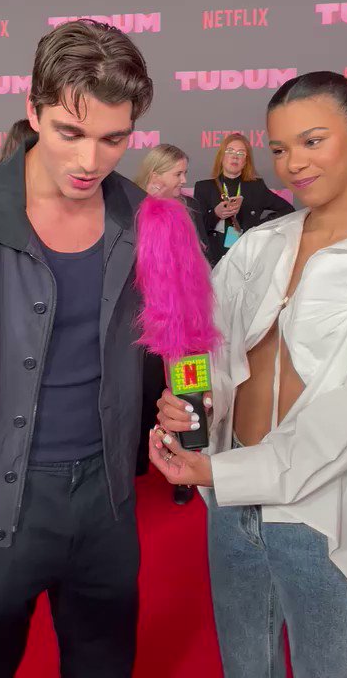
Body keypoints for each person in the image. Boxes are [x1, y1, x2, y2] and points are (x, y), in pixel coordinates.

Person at [0, 19, 153, 678]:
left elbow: (166, 343)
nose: (89, 161)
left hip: (106, 504)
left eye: (113, 140)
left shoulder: (142, 220)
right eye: (70, 132)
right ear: (32, 110)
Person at [150, 72, 347, 678]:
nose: (294, 165)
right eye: (280, 149)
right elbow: (202, 346)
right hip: (231, 509)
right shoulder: (260, 246)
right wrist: (184, 402)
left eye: (313, 141)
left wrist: (217, 470)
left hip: (320, 519)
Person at [134, 144, 208, 505]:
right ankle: (181, 471)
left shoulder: (183, 213)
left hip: (184, 325)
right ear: (155, 177)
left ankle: (185, 472)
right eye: (177, 173)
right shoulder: (133, 216)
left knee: (186, 396)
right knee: (180, 398)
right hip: (160, 328)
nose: (183, 180)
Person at [194, 132, 294, 266]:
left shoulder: (256, 186)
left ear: (246, 161)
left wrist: (256, 229)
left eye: (241, 153)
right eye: (230, 151)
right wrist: (216, 215)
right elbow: (196, 230)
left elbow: (287, 209)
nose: (235, 156)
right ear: (221, 156)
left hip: (246, 259)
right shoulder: (204, 187)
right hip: (214, 261)